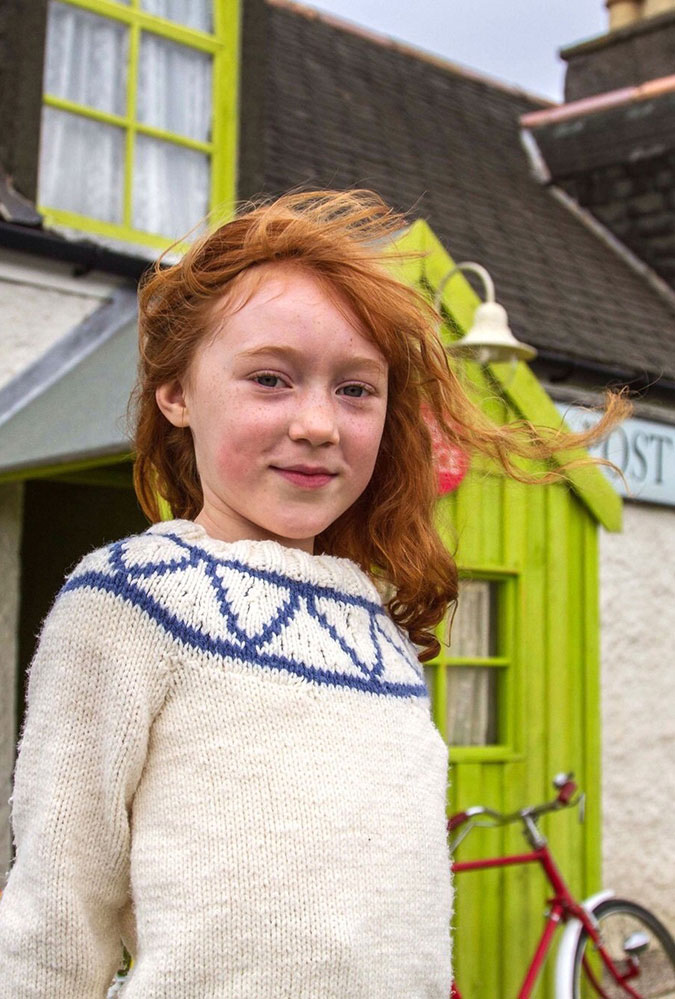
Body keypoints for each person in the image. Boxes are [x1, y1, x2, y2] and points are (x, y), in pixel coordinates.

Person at [0, 190, 626, 998]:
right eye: (270, 378)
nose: (319, 423)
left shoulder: (378, 628)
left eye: (355, 389)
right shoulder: (128, 601)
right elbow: (57, 912)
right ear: (177, 393)